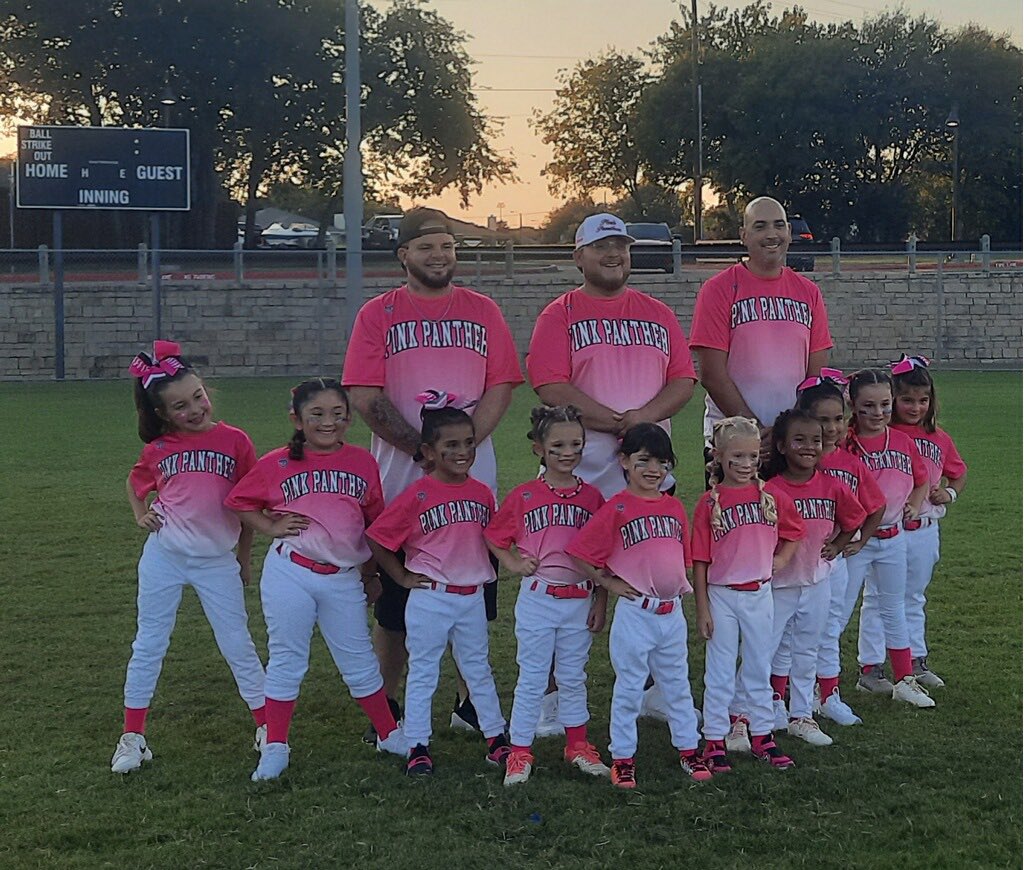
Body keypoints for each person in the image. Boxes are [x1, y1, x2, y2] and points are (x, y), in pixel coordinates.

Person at [342, 207, 523, 738]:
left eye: (446, 245)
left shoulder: (482, 310)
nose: (439, 256)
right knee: (397, 606)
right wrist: (423, 450)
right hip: (402, 481)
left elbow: (502, 384)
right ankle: (387, 706)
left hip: (472, 484)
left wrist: (463, 446)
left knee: (472, 593)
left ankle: (470, 705)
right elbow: (363, 395)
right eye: (426, 247)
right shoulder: (378, 314)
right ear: (404, 255)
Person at [526, 212, 698, 728]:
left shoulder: (657, 312)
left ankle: (650, 690)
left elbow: (683, 380)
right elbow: (551, 385)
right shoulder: (560, 315)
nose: (614, 254)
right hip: (577, 471)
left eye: (621, 246)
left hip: (646, 474)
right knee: (565, 578)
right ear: (578, 256)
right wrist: (617, 423)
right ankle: (552, 698)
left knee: (648, 576)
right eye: (601, 246)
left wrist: (642, 421)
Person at [225, 379, 407, 782]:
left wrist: (371, 573)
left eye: (338, 415)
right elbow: (238, 501)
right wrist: (270, 526)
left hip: (342, 577)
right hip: (292, 571)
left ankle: (389, 733)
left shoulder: (362, 461)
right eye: (317, 415)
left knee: (358, 661)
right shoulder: (278, 462)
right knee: (288, 659)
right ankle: (275, 745)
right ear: (297, 419)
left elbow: (370, 521)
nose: (329, 423)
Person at [111, 341, 266, 775]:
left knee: (237, 643)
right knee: (148, 643)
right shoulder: (158, 448)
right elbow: (135, 481)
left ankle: (267, 725)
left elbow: (248, 505)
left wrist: (243, 559)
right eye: (180, 406)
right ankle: (133, 736)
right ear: (162, 414)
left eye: (198, 396)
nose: (195, 408)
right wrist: (141, 514)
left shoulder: (235, 441)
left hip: (217, 561)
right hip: (164, 557)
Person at [366, 394, 509, 776]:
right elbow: (379, 537)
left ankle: (496, 739)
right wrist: (400, 576)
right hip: (431, 597)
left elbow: (494, 537)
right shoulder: (418, 494)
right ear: (428, 451)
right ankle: (417, 744)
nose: (462, 452)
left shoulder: (481, 492)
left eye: (467, 443)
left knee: (477, 667)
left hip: (471, 596)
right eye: (451, 445)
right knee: (425, 670)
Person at [568, 424, 710, 790]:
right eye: (643, 460)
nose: (653, 470)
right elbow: (582, 553)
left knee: (678, 685)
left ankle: (689, 748)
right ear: (624, 461)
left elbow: (684, 556)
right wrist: (610, 583)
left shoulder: (675, 505)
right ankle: (623, 757)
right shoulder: (616, 506)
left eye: (662, 463)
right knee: (629, 687)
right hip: (636, 613)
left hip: (671, 612)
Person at [485, 406, 609, 786]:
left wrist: (601, 601)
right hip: (539, 597)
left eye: (576, 444)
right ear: (539, 448)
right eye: (557, 445)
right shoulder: (525, 495)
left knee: (573, 676)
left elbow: (603, 554)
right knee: (533, 677)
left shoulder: (592, 497)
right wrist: (512, 561)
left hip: (579, 599)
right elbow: (493, 536)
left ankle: (577, 744)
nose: (567, 452)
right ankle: (520, 751)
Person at [691, 416, 804, 773]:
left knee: (758, 666)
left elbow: (794, 533)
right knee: (721, 669)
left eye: (752, 457)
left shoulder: (771, 497)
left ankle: (762, 735)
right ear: (719, 456)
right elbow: (699, 560)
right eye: (736, 457)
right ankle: (713, 738)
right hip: (722, 595)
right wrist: (703, 609)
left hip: (759, 593)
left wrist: (779, 560)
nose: (744, 465)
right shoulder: (709, 503)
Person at [689, 196, 833, 466]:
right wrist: (753, 430)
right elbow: (712, 375)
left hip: (790, 444)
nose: (771, 234)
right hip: (733, 443)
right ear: (743, 235)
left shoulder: (808, 292)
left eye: (779, 225)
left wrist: (789, 430)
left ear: (789, 232)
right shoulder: (718, 289)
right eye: (760, 226)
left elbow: (816, 376)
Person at [856, 355, 967, 690]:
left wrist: (949, 494)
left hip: (923, 531)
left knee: (913, 597)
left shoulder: (939, 437)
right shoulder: (883, 433)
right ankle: (871, 667)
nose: (915, 407)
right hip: (888, 529)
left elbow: (958, 474)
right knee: (877, 597)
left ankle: (916, 661)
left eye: (923, 400)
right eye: (906, 400)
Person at [761, 409, 867, 747]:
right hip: (780, 584)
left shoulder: (831, 485)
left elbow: (855, 518)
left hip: (818, 579)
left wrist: (838, 544)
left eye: (816, 441)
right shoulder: (771, 488)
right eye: (799, 440)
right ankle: (768, 706)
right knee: (771, 647)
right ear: (781, 446)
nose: (809, 447)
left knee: (807, 648)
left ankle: (802, 715)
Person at [833, 369, 933, 708]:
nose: (878, 413)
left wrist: (915, 504)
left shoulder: (903, 440)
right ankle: (822, 685)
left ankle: (905, 679)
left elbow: (921, 480)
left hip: (893, 538)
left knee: (893, 608)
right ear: (853, 405)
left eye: (885, 405)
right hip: (855, 541)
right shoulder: (845, 443)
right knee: (838, 612)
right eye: (868, 406)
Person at [790, 374, 885, 727]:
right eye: (822, 420)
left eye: (837, 419)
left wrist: (855, 541)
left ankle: (828, 694)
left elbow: (873, 507)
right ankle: (781, 697)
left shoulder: (851, 463)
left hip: (832, 562)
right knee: (790, 633)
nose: (831, 428)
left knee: (829, 628)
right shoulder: (794, 461)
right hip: (794, 563)